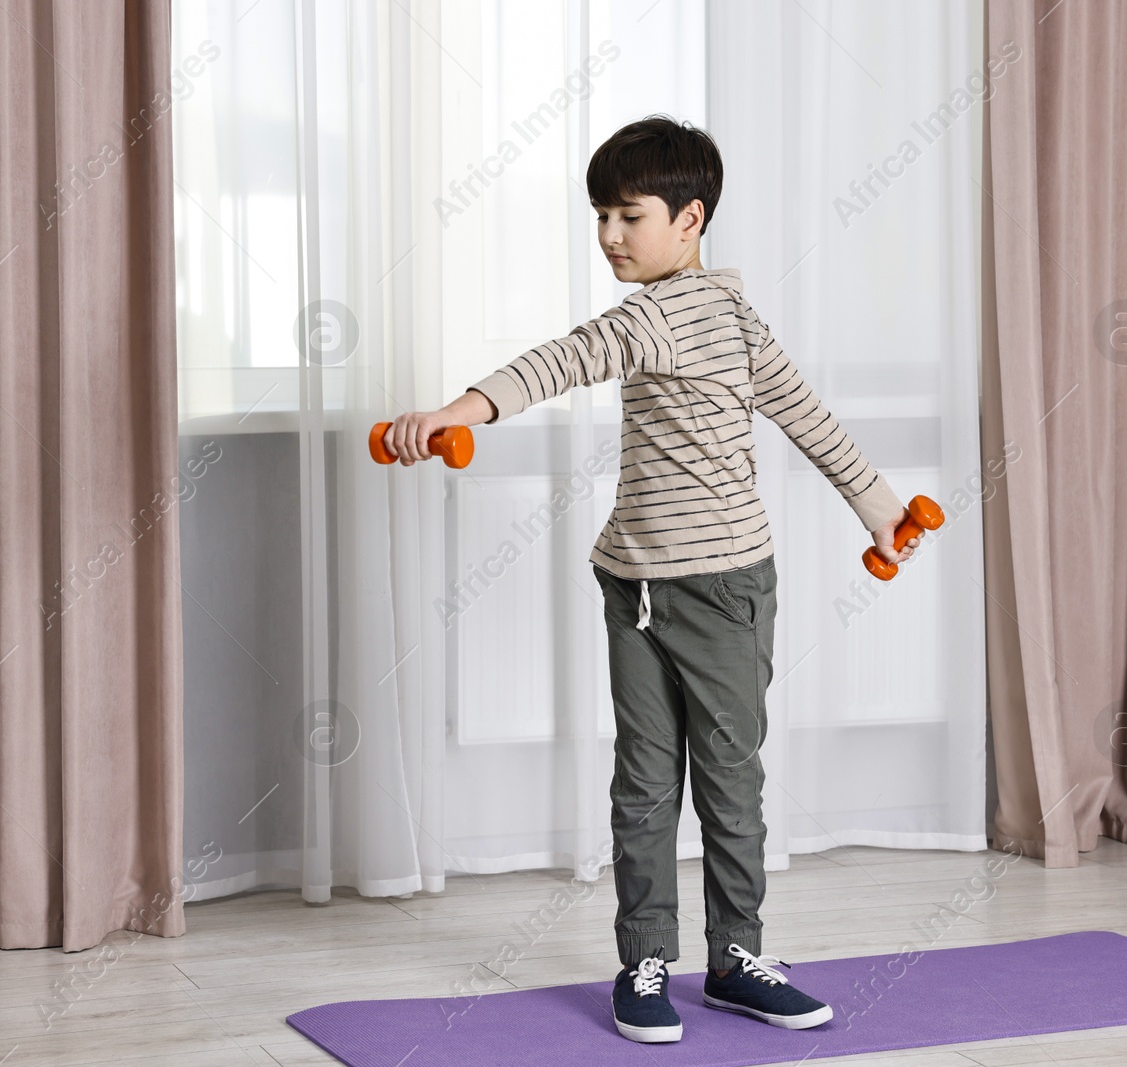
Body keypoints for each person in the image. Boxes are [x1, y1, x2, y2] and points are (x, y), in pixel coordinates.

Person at [378, 115, 919, 1044]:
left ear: (690, 218)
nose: (610, 235)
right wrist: (454, 412)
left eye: (629, 214)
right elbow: (560, 364)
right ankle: (644, 961)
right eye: (601, 215)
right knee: (643, 781)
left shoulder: (702, 315)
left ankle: (738, 958)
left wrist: (877, 505)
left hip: (723, 588)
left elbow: (800, 410)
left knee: (728, 781)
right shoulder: (660, 315)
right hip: (633, 582)